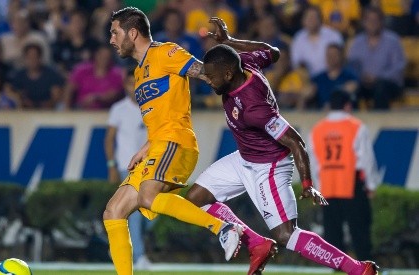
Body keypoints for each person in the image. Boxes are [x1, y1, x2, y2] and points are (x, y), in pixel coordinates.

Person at [185, 17, 379, 275]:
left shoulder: (255, 108)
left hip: (269, 166)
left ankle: (356, 268)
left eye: (211, 77)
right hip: (244, 158)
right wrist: (230, 42)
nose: (208, 81)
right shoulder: (246, 63)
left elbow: (296, 142)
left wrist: (308, 185)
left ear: (228, 74)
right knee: (196, 199)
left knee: (286, 235)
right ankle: (256, 242)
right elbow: (274, 52)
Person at [103, 7, 243, 275]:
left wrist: (241, 91)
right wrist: (144, 148)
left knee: (147, 196)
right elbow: (159, 116)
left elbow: (208, 74)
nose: (111, 39)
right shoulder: (138, 74)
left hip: (176, 141)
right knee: (113, 212)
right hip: (157, 145)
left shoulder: (166, 53)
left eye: (115, 32)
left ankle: (222, 227)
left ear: (132, 33)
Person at [308, 90, 380, 261]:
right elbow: (366, 160)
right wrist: (370, 185)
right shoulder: (356, 126)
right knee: (360, 231)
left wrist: (318, 189)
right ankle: (365, 267)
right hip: (351, 185)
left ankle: (337, 269)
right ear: (347, 105)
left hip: (328, 186)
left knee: (333, 236)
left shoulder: (317, 130)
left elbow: (313, 162)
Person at [104, 70, 150, 269]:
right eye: (131, 84)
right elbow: (109, 139)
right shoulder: (119, 109)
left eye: (137, 82)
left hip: (149, 168)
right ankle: (138, 257)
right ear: (125, 85)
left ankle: (118, 242)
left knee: (152, 212)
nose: (135, 87)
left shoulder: (150, 106)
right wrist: (112, 165)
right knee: (135, 215)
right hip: (126, 167)